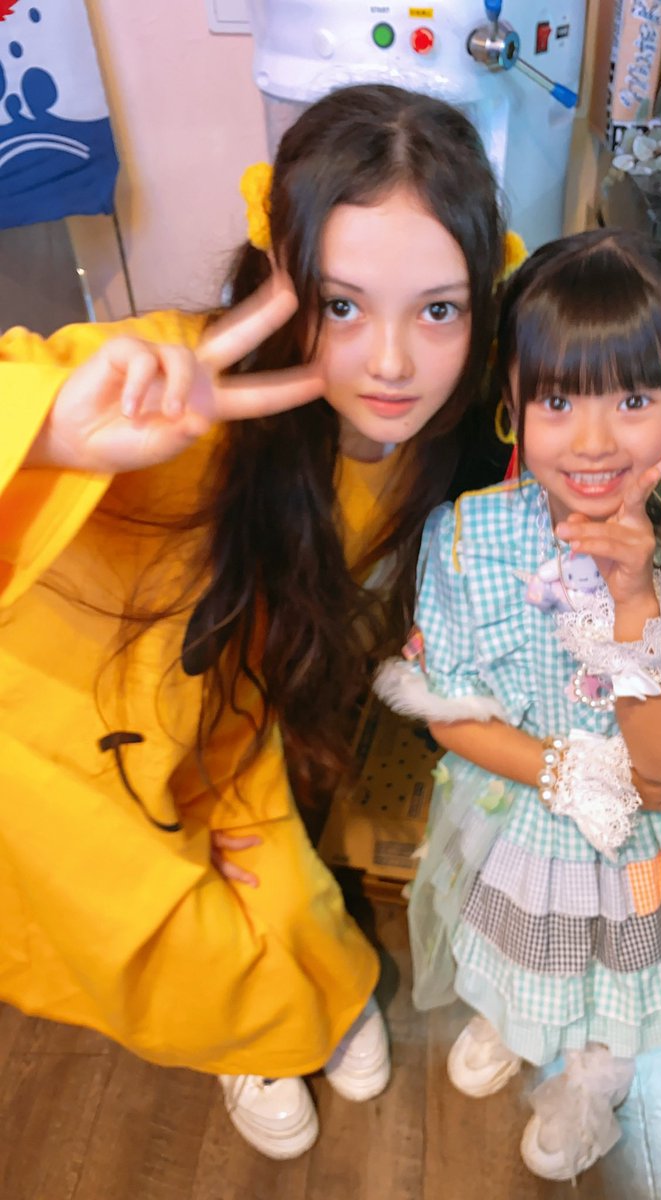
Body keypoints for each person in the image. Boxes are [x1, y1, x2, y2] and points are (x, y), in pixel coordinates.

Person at [0, 84, 510, 1160]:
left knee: (295, 911)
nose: (389, 361)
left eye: (438, 310)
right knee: (156, 939)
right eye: (342, 304)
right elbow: (36, 384)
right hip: (46, 737)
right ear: (283, 280)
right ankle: (245, 1037)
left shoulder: (440, 448)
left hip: (219, 727)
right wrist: (51, 436)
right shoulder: (171, 378)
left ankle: (302, 1001)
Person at [375, 228, 661, 1181]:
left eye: (634, 399)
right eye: (559, 399)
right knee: (520, 942)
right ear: (513, 403)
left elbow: (659, 764)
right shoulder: (468, 537)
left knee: (625, 979)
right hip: (526, 797)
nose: (593, 439)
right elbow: (447, 713)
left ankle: (592, 1079)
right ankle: (517, 1019)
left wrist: (633, 597)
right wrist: (571, 772)